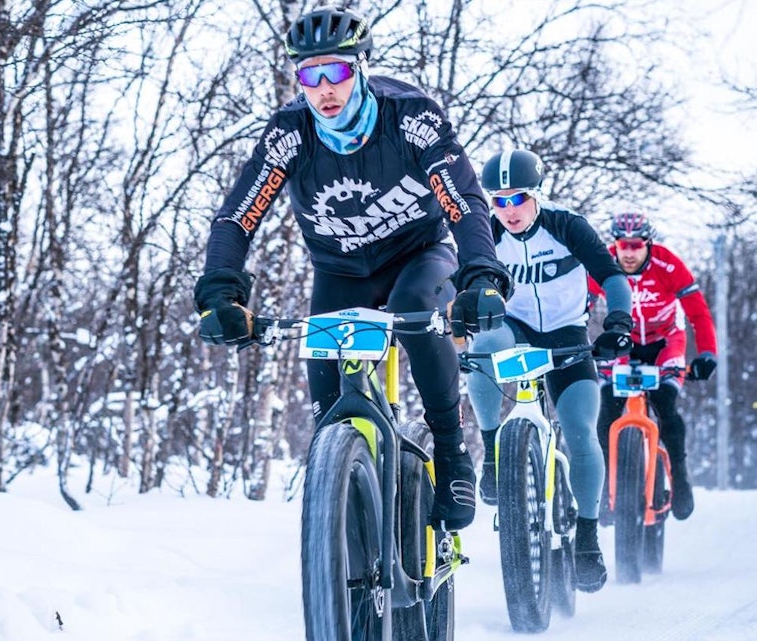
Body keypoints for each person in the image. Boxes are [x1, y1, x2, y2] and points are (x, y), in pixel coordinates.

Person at [192, 6, 512, 531]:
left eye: (336, 71)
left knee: (415, 308)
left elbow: (466, 202)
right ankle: (347, 537)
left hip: (419, 256)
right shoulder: (289, 134)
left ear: (361, 67)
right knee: (329, 420)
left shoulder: (411, 116)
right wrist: (221, 293)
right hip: (340, 270)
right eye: (309, 76)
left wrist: (479, 275)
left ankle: (452, 452)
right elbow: (237, 216)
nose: (324, 89)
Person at [466, 149, 633, 593]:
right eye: (498, 201)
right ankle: (492, 452)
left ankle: (587, 535)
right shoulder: (486, 233)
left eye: (517, 198)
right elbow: (453, 277)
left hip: (566, 332)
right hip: (514, 329)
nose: (508, 210)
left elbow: (613, 276)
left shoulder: (566, 225)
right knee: (482, 347)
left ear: (536, 193)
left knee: (580, 428)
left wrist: (618, 322)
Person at [589, 212, 718, 522]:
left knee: (666, 407)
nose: (629, 253)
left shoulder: (668, 264)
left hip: (665, 343)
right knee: (606, 409)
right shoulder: (602, 264)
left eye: (636, 246)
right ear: (615, 244)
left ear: (648, 244)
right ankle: (609, 483)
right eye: (623, 245)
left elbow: (698, 314)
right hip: (624, 343)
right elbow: (581, 306)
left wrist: (707, 354)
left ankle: (681, 478)